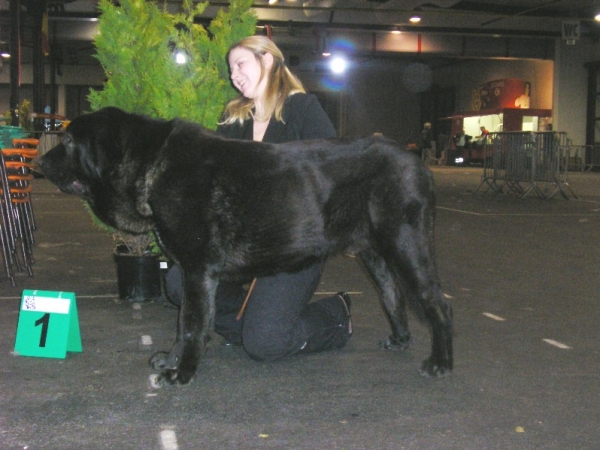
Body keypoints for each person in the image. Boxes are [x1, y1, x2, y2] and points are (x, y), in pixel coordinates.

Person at [165, 35, 352, 361]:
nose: (233, 74)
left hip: (295, 244)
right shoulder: (235, 117)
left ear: (267, 60)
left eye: (240, 64)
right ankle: (252, 324)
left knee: (266, 345)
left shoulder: (303, 109)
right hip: (242, 241)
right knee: (179, 282)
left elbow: (334, 171)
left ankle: (335, 315)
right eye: (230, 68)